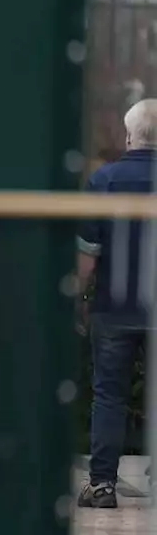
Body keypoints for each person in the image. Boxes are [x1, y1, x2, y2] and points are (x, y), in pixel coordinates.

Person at [76, 99, 157, 509]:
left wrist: (78, 296)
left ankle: (103, 485)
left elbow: (87, 255)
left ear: (129, 136)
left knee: (109, 395)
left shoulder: (104, 181)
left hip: (115, 306)